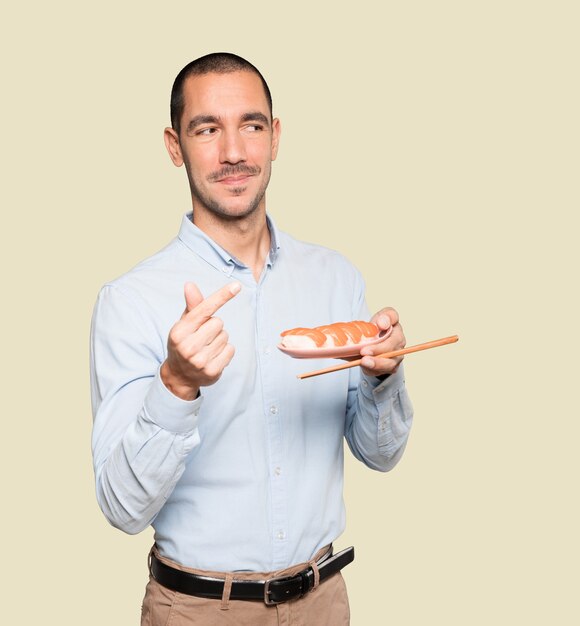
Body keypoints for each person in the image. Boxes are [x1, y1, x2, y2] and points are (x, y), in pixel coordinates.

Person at [90, 52, 414, 626]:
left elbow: (380, 455)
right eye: (207, 129)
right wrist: (176, 385)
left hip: (323, 602)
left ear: (276, 136)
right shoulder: (131, 300)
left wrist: (381, 377)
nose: (234, 152)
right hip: (196, 610)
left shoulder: (336, 278)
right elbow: (121, 508)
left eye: (252, 126)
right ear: (174, 146)